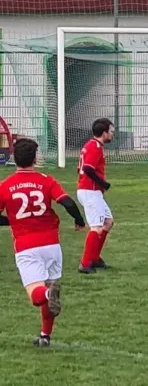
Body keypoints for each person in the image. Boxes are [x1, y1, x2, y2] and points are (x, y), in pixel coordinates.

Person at [0, 138, 86, 346]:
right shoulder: (46, 180)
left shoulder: (5, 186)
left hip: (26, 247)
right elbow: (66, 201)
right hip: (52, 246)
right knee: (50, 290)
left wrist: (12, 220)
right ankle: (45, 336)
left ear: (13, 158)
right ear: (35, 158)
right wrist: (79, 220)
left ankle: (49, 293)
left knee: (38, 295)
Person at [77, 118, 115, 274]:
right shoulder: (95, 147)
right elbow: (87, 169)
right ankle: (85, 263)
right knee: (97, 227)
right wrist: (103, 183)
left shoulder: (92, 145)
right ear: (104, 133)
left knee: (108, 222)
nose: (112, 135)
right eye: (111, 132)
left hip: (91, 191)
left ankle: (95, 258)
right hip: (90, 192)